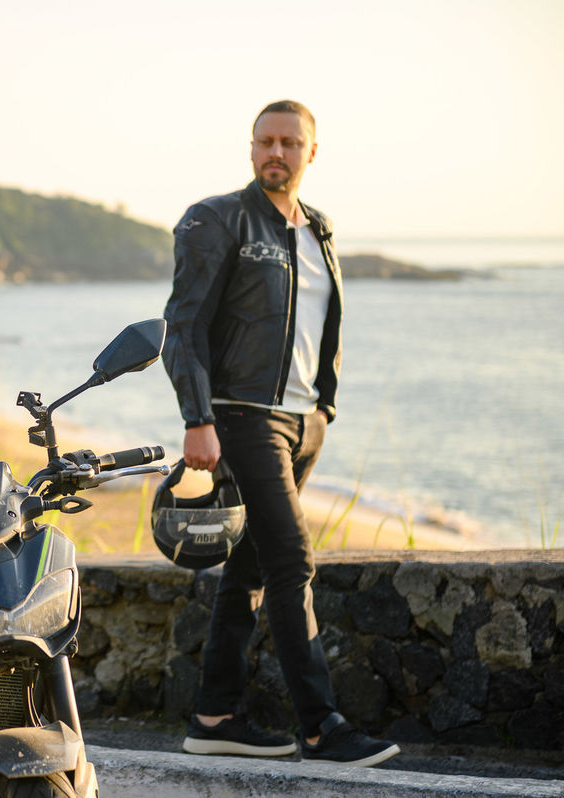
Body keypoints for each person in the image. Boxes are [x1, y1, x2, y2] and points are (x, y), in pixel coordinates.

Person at [161, 100, 400, 767]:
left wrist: (322, 411)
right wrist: (197, 418)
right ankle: (322, 726)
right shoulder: (217, 219)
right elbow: (182, 326)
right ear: (250, 148)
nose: (277, 153)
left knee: (251, 569)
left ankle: (215, 715)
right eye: (265, 141)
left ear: (311, 153)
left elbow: (321, 330)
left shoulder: (318, 230)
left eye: (290, 143)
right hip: (241, 416)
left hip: (304, 422)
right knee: (293, 562)